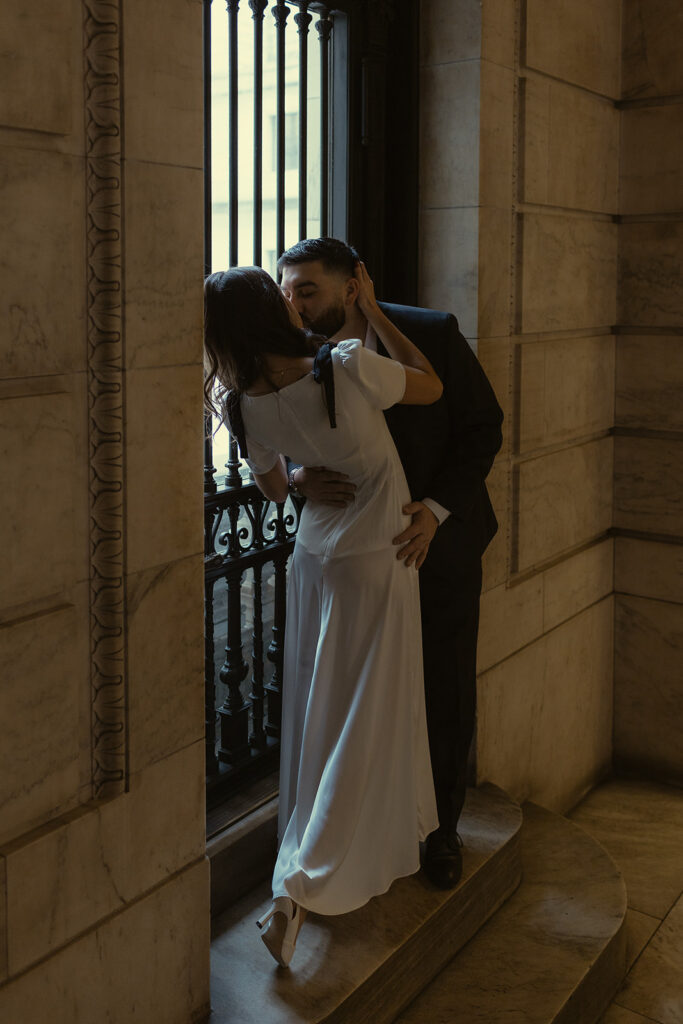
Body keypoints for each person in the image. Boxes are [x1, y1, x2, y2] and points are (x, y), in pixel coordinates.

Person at [204, 264, 442, 968]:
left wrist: (303, 476)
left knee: (319, 712)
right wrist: (377, 313)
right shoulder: (342, 364)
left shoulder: (241, 401)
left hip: (314, 559)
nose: (291, 298)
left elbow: (276, 487)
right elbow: (430, 384)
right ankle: (302, 886)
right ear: (267, 310)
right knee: (364, 717)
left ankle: (312, 855)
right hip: (378, 555)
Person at [279, 238, 504, 890]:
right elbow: (273, 431)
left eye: (307, 290)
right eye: (287, 291)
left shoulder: (429, 333)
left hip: (432, 547)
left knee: (441, 685)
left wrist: (434, 511)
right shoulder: (293, 352)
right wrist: (296, 477)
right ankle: (360, 830)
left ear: (352, 287)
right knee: (352, 695)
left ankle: (440, 831)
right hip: (350, 559)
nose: (294, 304)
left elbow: (483, 426)